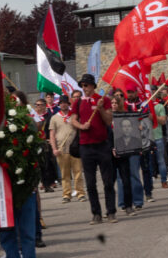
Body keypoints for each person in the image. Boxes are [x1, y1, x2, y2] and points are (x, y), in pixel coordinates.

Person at [70, 74, 116, 224]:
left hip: (102, 145)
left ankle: (111, 212)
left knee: (108, 181)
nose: (84, 88)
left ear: (93, 86)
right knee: (90, 183)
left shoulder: (104, 100)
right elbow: (73, 120)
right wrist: (81, 126)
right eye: (82, 85)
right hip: (85, 146)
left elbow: (108, 121)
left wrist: (101, 108)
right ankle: (96, 213)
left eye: (87, 85)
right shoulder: (77, 103)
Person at [50, 96, 86, 203]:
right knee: (64, 174)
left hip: (75, 149)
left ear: (68, 104)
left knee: (78, 172)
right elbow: (52, 134)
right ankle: (66, 194)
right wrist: (54, 148)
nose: (63, 105)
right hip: (61, 149)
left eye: (65, 103)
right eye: (61, 103)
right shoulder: (54, 118)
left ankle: (80, 193)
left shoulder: (74, 116)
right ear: (59, 104)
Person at [110, 96, 136, 216]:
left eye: (116, 103)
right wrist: (111, 148)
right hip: (109, 153)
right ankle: (110, 208)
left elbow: (129, 133)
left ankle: (128, 205)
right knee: (109, 182)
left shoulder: (123, 116)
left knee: (126, 180)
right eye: (112, 102)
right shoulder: (106, 117)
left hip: (123, 152)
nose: (114, 104)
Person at [152, 98, 168, 188]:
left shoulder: (159, 107)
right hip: (145, 139)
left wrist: (153, 116)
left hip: (158, 137)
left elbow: (163, 121)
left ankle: (164, 181)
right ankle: (149, 185)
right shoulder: (141, 106)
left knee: (161, 161)